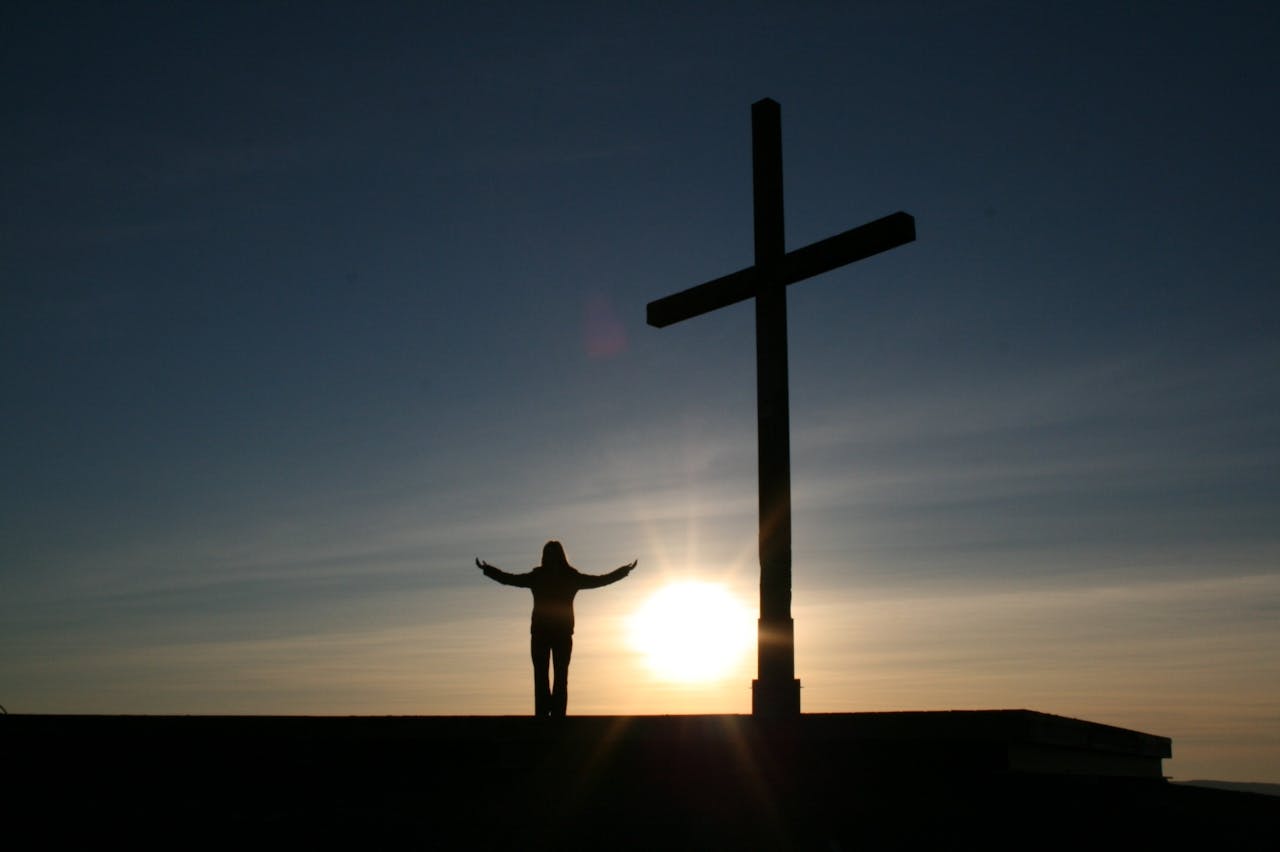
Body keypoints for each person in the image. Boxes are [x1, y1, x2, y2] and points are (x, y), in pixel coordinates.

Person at [476, 540, 635, 717]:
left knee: (560, 677)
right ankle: (543, 716)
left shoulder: (571, 577)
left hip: (562, 634)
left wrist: (623, 572)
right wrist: (488, 570)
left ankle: (558, 717)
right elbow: (510, 579)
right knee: (541, 678)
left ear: (559, 556)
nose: (549, 558)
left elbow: (599, 580)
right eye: (547, 554)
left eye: (552, 554)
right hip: (540, 634)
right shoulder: (538, 577)